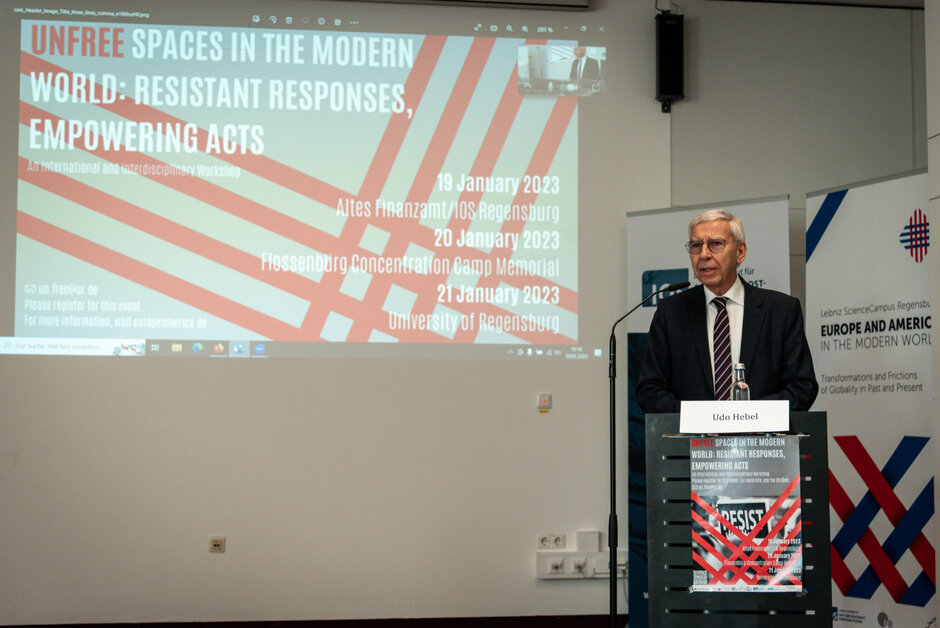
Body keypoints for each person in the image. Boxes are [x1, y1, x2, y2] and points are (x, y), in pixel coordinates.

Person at [635, 209, 818, 414]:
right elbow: (649, 391)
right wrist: (704, 417)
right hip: (692, 434)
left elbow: (802, 387)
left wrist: (748, 418)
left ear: (740, 252)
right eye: (696, 246)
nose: (704, 254)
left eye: (715, 244)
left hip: (763, 435)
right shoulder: (671, 313)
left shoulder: (781, 311)